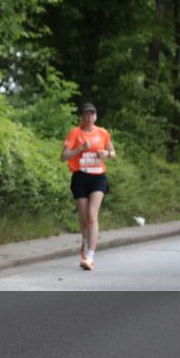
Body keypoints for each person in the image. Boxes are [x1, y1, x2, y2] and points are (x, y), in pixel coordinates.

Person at [61, 102, 116, 270]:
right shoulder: (74, 133)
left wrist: (106, 153)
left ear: (96, 116)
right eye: (86, 114)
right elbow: (63, 156)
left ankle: (90, 257)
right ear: (82, 117)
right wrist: (79, 149)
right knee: (84, 219)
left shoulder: (103, 133)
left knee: (92, 216)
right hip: (80, 177)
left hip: (98, 177)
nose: (89, 117)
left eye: (92, 114)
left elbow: (113, 153)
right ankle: (85, 242)